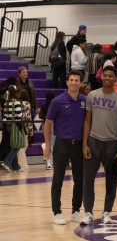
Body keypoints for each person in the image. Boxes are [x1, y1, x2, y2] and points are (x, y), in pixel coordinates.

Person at [80, 65, 117, 226]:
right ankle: (88, 212)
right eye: (105, 75)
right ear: (101, 77)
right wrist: (85, 143)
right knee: (87, 180)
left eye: (110, 76)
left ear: (116, 79)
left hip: (112, 144)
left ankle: (107, 212)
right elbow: (87, 120)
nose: (107, 78)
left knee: (111, 180)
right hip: (93, 142)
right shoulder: (92, 95)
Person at [45, 71, 86, 225]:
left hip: (78, 145)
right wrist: (48, 145)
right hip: (61, 144)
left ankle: (76, 211)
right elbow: (48, 123)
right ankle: (57, 213)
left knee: (79, 180)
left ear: (81, 83)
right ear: (67, 82)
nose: (74, 83)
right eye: (71, 80)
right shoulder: (57, 101)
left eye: (77, 80)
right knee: (57, 180)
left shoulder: (85, 100)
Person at [0, 86, 24, 173]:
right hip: (15, 125)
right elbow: (20, 115)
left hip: (8, 125)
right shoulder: (16, 102)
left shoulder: (6, 103)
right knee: (18, 145)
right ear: (16, 93)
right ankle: (6, 162)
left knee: (13, 145)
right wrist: (24, 114)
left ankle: (15, 166)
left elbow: (5, 116)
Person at [16, 90, 34, 172]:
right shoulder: (27, 104)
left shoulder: (17, 103)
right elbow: (29, 117)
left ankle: (21, 163)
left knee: (21, 146)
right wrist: (31, 130)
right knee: (23, 146)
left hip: (18, 126)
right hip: (25, 127)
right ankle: (23, 164)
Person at [39, 92, 56, 169]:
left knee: (47, 142)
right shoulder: (54, 106)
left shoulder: (43, 107)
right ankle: (50, 161)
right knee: (52, 143)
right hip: (52, 125)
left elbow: (40, 116)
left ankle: (48, 160)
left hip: (44, 125)